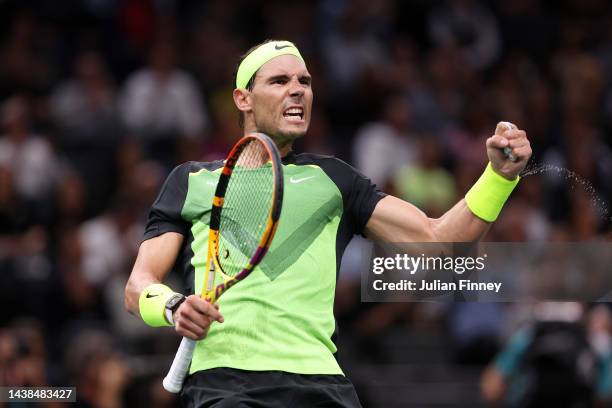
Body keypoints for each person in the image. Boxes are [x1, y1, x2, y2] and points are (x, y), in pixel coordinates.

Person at [124, 40, 532, 407]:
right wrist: (172, 306)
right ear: (243, 98)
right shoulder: (192, 181)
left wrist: (498, 178)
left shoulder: (333, 179)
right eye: (279, 81)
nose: (297, 89)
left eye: (304, 80)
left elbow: (440, 242)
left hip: (321, 383)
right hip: (227, 384)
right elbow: (138, 284)